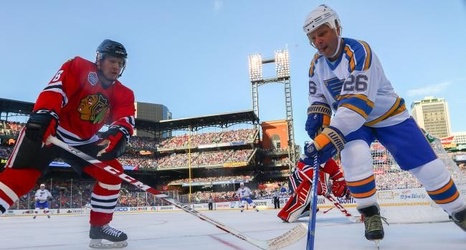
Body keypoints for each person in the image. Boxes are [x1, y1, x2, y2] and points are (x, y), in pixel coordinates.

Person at [301, 4, 466, 243]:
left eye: (322, 32)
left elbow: (357, 105)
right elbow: (318, 97)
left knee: (430, 169)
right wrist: (318, 115)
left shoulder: (359, 51)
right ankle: (369, 213)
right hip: (353, 121)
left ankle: (460, 212)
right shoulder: (316, 63)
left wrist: (328, 136)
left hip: (388, 116)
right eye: (312, 37)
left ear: (337, 26)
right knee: (355, 157)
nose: (318, 41)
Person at [0, 39, 135, 248]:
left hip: (84, 141)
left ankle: (99, 226)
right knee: (21, 178)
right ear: (99, 60)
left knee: (112, 173)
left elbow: (124, 118)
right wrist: (45, 112)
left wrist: (119, 134)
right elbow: (57, 90)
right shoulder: (79, 66)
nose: (116, 67)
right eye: (112, 61)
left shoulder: (124, 93)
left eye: (120, 63)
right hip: (52, 130)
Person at [278, 157, 347, 222]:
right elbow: (304, 168)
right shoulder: (310, 157)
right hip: (297, 181)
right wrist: (320, 184)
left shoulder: (331, 163)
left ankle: (305, 209)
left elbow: (338, 177)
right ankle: (290, 213)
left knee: (311, 206)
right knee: (301, 200)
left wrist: (343, 187)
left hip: (310, 184)